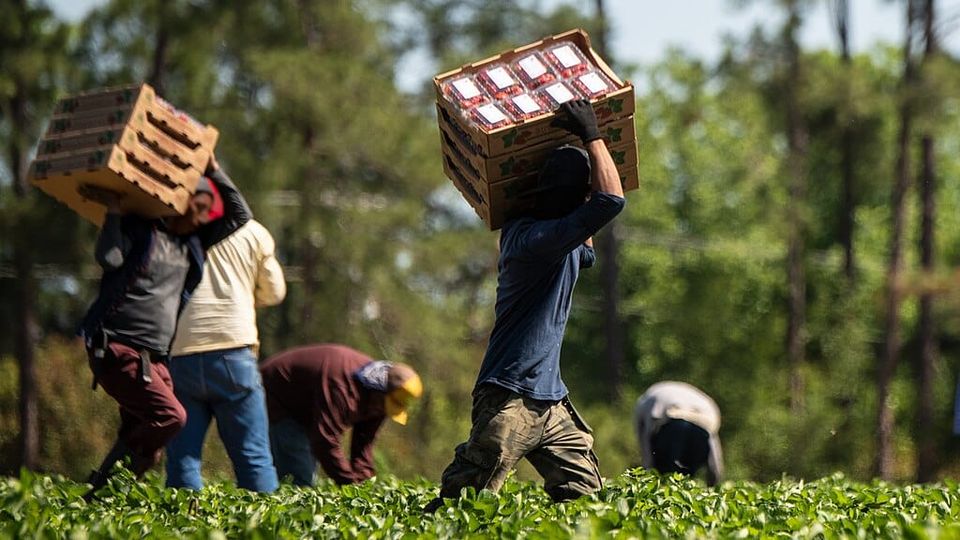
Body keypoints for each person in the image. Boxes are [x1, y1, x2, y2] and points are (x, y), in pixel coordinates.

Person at [425, 99, 626, 512]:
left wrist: (582, 166)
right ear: (575, 197)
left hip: (550, 401)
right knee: (464, 503)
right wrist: (592, 134)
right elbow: (610, 203)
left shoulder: (558, 239)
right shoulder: (533, 241)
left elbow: (590, 235)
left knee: (585, 497)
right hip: (509, 397)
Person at [79, 155, 251, 498]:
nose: (203, 216)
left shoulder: (194, 245)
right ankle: (102, 493)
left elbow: (240, 214)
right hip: (117, 348)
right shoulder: (141, 230)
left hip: (155, 359)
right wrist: (113, 211)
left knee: (146, 441)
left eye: (207, 211)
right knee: (171, 417)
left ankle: (98, 501)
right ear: (178, 203)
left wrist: (214, 168)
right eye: (198, 207)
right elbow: (109, 260)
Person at [164, 204, 287, 493]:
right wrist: (245, 298)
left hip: (181, 353)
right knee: (253, 458)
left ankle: (182, 529)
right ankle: (264, 531)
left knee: (183, 460)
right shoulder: (252, 232)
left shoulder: (173, 229)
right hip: (233, 352)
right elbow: (276, 291)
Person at [259, 344, 423, 486]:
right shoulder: (342, 386)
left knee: (305, 474)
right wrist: (349, 484)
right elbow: (324, 440)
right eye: (385, 405)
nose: (382, 411)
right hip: (277, 395)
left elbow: (363, 446)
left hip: (306, 410)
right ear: (380, 390)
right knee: (299, 478)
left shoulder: (378, 400)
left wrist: (364, 488)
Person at [633, 381, 724, 486]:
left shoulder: (645, 400)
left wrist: (647, 469)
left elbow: (645, 437)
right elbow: (713, 445)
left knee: (665, 474)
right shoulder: (704, 402)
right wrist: (714, 480)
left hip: (672, 425)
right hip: (699, 428)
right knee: (686, 477)